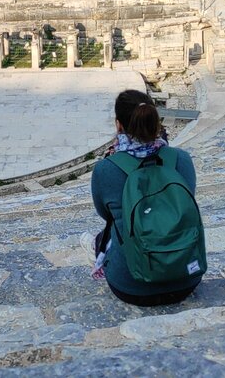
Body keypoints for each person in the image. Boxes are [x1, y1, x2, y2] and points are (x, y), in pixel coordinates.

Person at [85, 89, 205, 306]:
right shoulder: (182, 160)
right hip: (187, 279)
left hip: (130, 285)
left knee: (102, 237)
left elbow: (105, 214)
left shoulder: (105, 170)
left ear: (118, 125)